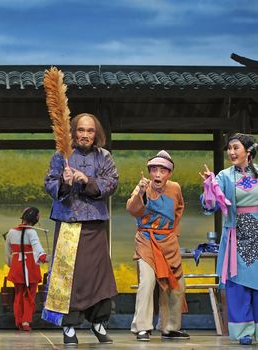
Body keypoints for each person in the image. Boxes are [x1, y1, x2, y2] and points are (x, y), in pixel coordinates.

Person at [43, 113, 118, 345]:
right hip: (68, 224)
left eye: (90, 131)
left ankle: (98, 322)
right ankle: (68, 326)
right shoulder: (61, 156)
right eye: (81, 130)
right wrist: (65, 182)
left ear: (97, 134)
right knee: (70, 278)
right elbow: (49, 183)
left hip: (95, 225)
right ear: (73, 132)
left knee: (99, 275)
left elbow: (111, 183)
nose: (85, 135)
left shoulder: (104, 157)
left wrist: (87, 180)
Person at [199, 133, 258, 346]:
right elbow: (211, 206)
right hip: (236, 237)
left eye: (236, 148)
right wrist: (209, 187)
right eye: (229, 149)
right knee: (238, 285)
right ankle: (244, 331)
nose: (231, 152)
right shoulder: (224, 176)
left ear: (248, 151)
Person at [127, 150, 189, 341]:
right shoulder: (143, 187)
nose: (157, 174)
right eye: (154, 170)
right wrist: (141, 193)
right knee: (147, 282)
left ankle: (170, 327)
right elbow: (132, 209)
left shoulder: (175, 188)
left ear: (169, 173)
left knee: (176, 283)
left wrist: (174, 234)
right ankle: (142, 327)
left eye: (162, 170)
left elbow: (179, 210)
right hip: (146, 239)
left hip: (168, 242)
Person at [4, 207, 47, 331]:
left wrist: (10, 264)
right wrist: (44, 257)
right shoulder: (32, 232)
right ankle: (26, 321)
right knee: (29, 294)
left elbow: (8, 251)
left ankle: (18, 320)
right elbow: (37, 247)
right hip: (30, 265)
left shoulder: (11, 232)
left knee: (18, 294)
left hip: (17, 265)